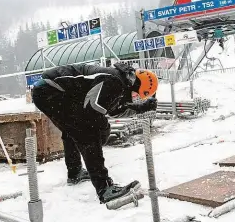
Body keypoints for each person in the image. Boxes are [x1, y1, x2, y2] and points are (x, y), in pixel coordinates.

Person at [31, 62, 158, 205]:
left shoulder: (120, 82)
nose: (136, 98)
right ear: (136, 85)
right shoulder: (113, 81)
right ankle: (105, 189)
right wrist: (100, 134)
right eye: (138, 95)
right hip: (49, 92)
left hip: (52, 92)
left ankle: (75, 172)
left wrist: (140, 108)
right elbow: (92, 109)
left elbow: (113, 109)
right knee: (86, 131)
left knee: (74, 129)